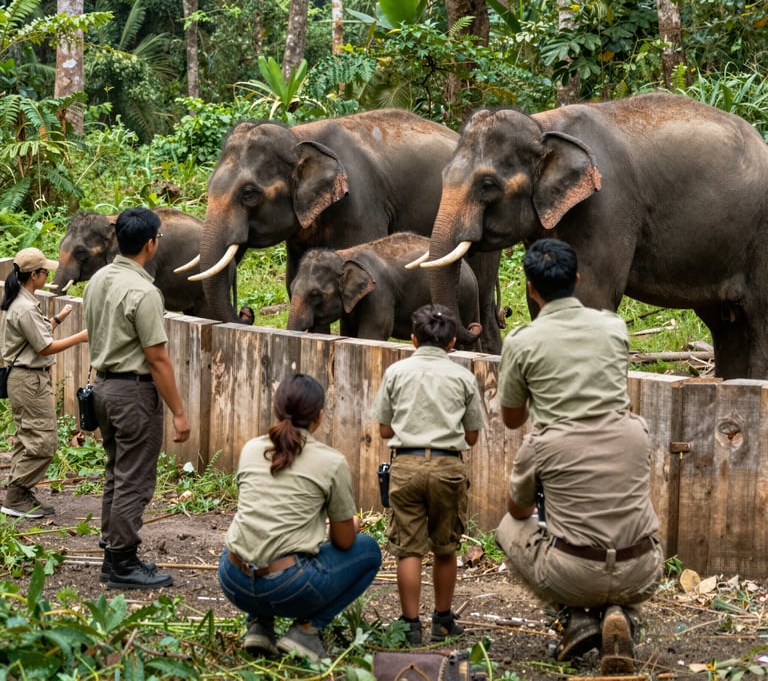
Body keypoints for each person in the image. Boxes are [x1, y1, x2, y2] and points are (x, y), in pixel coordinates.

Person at [494, 238, 663, 674]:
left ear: (529, 288)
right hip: (643, 569)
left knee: (509, 526)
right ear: (578, 279)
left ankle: (576, 615)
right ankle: (622, 613)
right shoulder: (614, 333)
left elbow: (513, 420)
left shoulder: (523, 343)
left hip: (572, 565)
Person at [218, 373, 381, 662]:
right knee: (368, 551)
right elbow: (344, 542)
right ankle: (307, 630)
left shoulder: (251, 449)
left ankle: (259, 624)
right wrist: (351, 525)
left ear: (275, 408)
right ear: (319, 417)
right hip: (288, 586)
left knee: (257, 535)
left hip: (233, 580)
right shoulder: (332, 462)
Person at [83, 207, 191, 590]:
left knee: (116, 472)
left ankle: (112, 555)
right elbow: (157, 359)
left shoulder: (97, 281)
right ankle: (123, 562)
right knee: (135, 480)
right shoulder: (144, 292)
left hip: (104, 389)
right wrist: (178, 412)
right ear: (150, 244)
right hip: (133, 393)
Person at [370, 304, 487, 646]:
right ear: (452, 342)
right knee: (446, 547)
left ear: (412, 340)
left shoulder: (396, 373)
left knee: (408, 549)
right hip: (448, 467)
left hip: (404, 466)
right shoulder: (463, 377)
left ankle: (410, 625)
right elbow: (472, 436)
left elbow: (383, 429)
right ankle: (443, 620)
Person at [0, 248, 88, 518]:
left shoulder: (23, 302)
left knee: (27, 437)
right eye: (44, 271)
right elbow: (45, 348)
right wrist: (81, 336)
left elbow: (34, 336)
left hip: (25, 378)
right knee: (43, 441)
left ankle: (19, 491)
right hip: (29, 380)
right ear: (34, 275)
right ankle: (16, 494)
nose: (47, 274)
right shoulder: (24, 307)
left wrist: (58, 319)